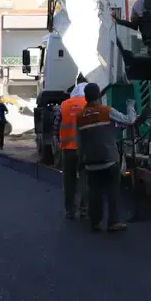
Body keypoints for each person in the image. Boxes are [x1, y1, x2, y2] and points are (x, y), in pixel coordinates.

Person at [75, 82, 142, 232]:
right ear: (99, 95)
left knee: (94, 191)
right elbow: (129, 120)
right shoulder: (106, 111)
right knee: (112, 190)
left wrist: (80, 162)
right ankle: (113, 222)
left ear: (85, 97)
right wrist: (131, 105)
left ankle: (95, 222)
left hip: (90, 160)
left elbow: (80, 141)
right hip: (109, 159)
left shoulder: (80, 117)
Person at [57, 84, 88, 220]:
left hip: (68, 149)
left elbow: (56, 126)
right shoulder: (90, 104)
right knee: (85, 180)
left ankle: (70, 210)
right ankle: (84, 210)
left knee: (68, 181)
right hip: (85, 150)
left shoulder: (64, 105)